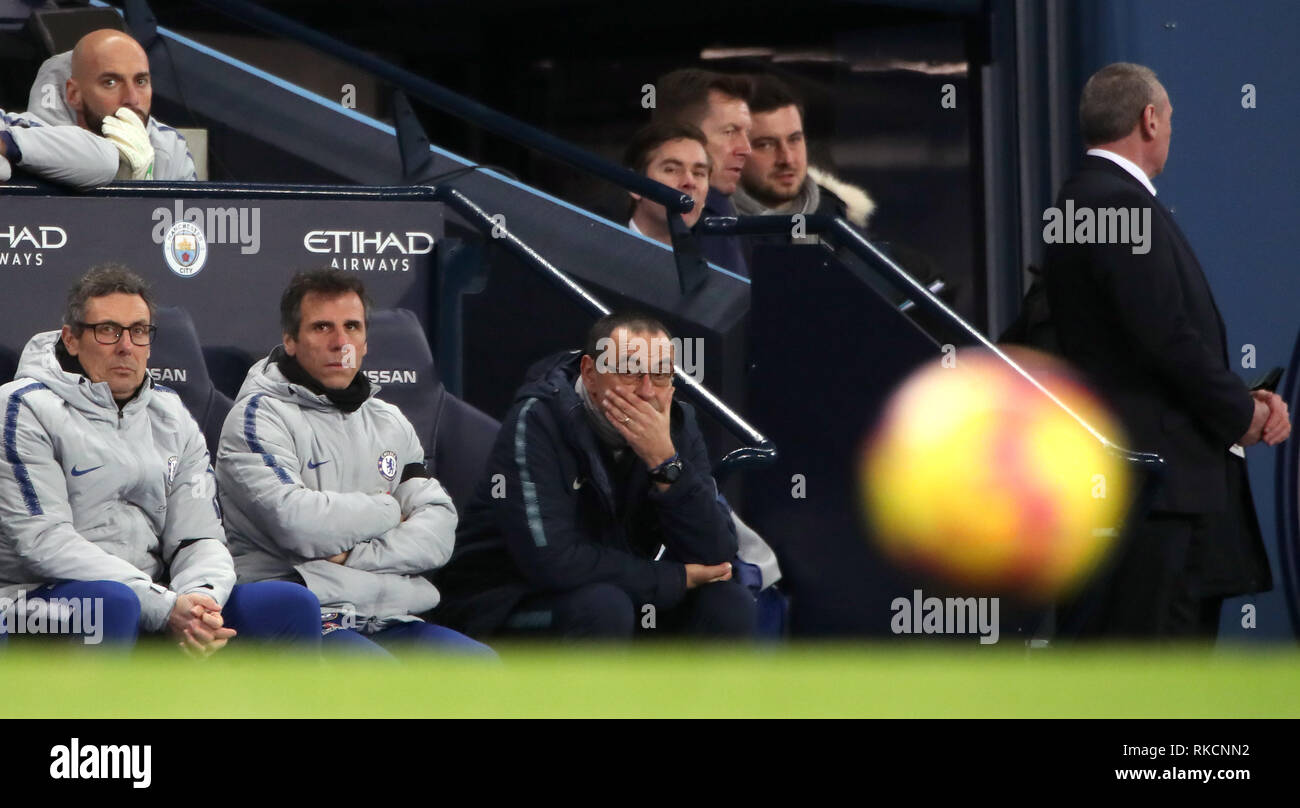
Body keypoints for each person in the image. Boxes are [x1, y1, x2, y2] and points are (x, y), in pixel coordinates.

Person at [1044, 63, 1291, 639]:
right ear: (1149, 119)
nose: (1172, 132)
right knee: (1156, 674)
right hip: (1155, 492)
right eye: (1171, 119)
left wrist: (1236, 400)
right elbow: (1165, 337)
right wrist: (1242, 411)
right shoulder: (1115, 203)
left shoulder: (1088, 198)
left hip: (1146, 485)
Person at [0, 265, 321, 652]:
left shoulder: (170, 415)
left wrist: (201, 602)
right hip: (32, 598)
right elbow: (43, 542)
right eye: (107, 330)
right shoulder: (21, 407)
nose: (125, 346)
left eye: (138, 331)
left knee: (290, 605)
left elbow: (198, 537)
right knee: (110, 605)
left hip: (159, 596)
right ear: (71, 339)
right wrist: (163, 605)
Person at [215, 269, 492, 657]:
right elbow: (297, 524)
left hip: (392, 615)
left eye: (352, 327)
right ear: (290, 340)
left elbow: (439, 530)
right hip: (308, 619)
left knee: (480, 668)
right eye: (322, 327)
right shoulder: (258, 417)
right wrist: (389, 509)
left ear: (365, 342)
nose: (340, 342)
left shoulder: (389, 421)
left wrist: (354, 554)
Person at [434, 312, 757, 640]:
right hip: (504, 601)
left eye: (660, 374)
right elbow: (552, 563)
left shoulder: (676, 425)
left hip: (618, 590)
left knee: (729, 604)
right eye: (630, 371)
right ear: (590, 373)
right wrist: (673, 579)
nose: (646, 392)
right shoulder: (538, 419)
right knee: (603, 606)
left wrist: (665, 464)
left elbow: (717, 552)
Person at [24, 29, 196, 182]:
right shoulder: (31, 143)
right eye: (111, 83)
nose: (132, 99)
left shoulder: (169, 147)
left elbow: (187, 217)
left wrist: (144, 185)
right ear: (74, 94)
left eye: (141, 81)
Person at [732, 75, 876, 240]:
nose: (787, 159)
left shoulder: (835, 217)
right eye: (766, 145)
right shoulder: (715, 227)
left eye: (794, 140)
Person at [652, 69, 754, 276]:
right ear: (684, 136)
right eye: (730, 132)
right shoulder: (704, 212)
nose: (746, 149)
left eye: (747, 133)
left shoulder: (725, 208)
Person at [623, 121, 711, 245]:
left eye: (698, 173)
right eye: (671, 170)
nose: (690, 182)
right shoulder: (595, 254)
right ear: (634, 186)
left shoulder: (709, 263)